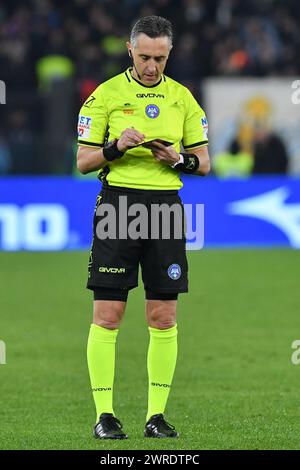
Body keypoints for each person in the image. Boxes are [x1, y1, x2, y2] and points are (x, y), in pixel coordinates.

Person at [77, 15, 210, 440]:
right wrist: (116, 147)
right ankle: (104, 415)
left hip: (166, 211)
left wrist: (179, 160)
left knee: (163, 316)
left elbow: (204, 162)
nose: (152, 66)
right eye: (145, 56)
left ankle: (156, 417)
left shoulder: (183, 98)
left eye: (161, 58)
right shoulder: (106, 95)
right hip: (118, 207)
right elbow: (83, 162)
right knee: (108, 314)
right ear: (128, 49)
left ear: (169, 54)